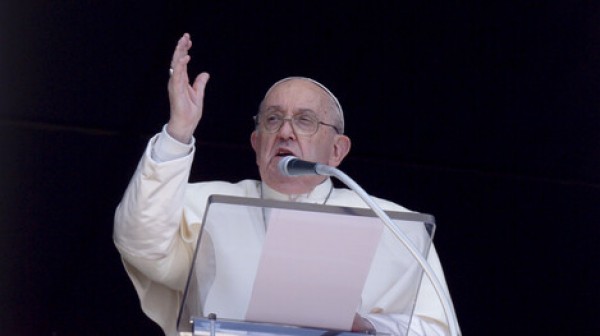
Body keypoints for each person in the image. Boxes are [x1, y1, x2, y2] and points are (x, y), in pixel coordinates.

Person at [114, 33, 458, 336]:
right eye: (273, 119)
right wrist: (178, 132)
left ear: (337, 150)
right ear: (255, 142)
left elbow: (435, 328)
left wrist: (366, 328)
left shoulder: (390, 223)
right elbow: (140, 243)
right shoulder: (208, 204)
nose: (285, 131)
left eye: (305, 120)